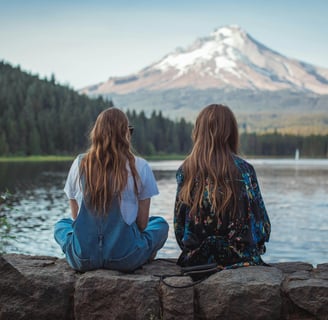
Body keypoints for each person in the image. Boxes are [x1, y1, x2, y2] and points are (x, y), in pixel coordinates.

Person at [54, 107, 169, 272]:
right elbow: (142, 224)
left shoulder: (80, 163)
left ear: (97, 133)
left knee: (61, 225)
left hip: (84, 258)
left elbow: (76, 218)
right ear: (125, 134)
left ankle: (79, 252)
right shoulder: (140, 166)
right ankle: (145, 253)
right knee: (159, 224)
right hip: (125, 258)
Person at [174, 104, 271, 268]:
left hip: (197, 260)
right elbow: (263, 227)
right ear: (231, 133)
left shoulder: (185, 170)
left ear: (198, 132)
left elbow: (179, 228)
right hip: (240, 259)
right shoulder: (245, 170)